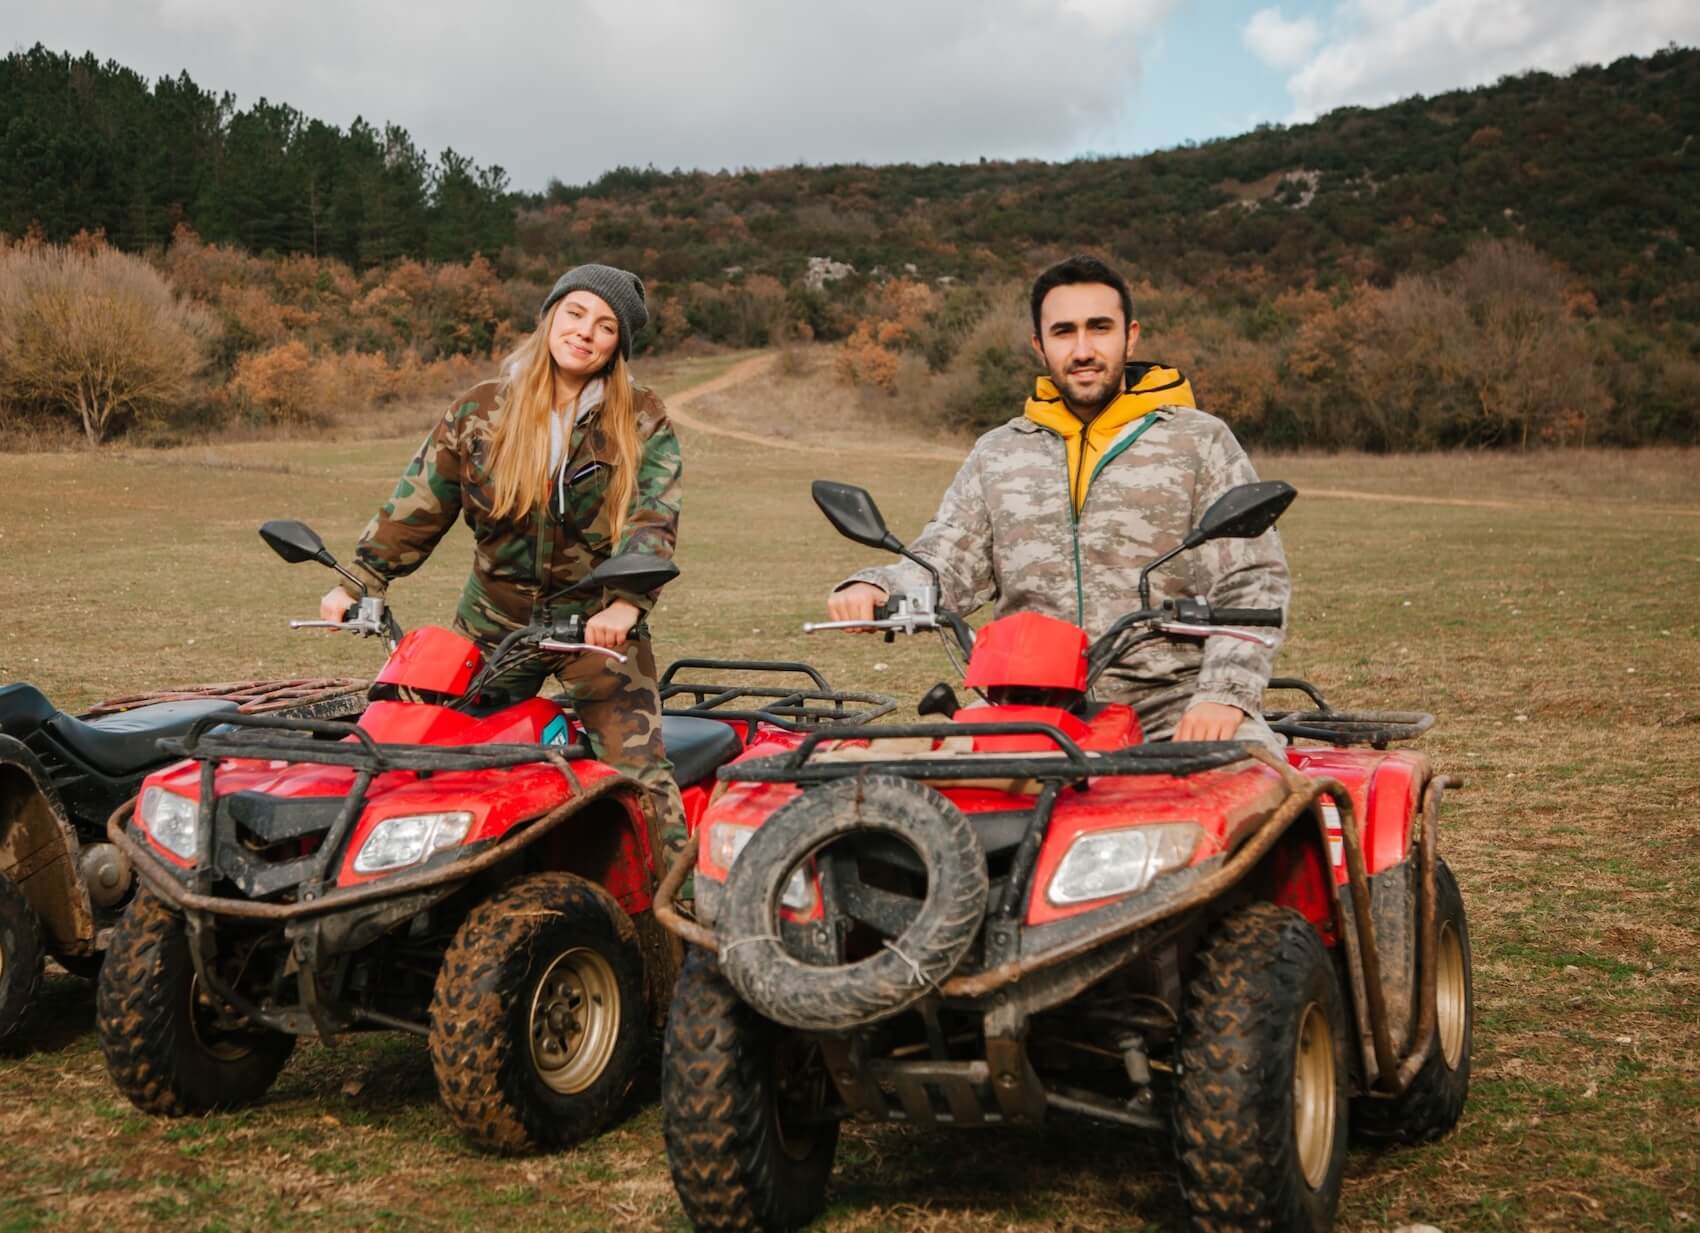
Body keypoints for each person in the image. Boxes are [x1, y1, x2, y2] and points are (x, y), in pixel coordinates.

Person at [827, 254, 1288, 749]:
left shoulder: (1199, 441)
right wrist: (878, 585)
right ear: (1039, 345)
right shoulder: (1000, 451)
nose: (1084, 349)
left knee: (1242, 781)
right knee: (934, 791)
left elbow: (1251, 579)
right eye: (1064, 332)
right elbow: (949, 556)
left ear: (1129, 336)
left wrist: (1224, 694)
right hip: (1023, 705)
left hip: (1171, 704)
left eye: (1100, 328)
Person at [320, 263, 687, 856]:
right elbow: (418, 505)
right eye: (575, 313)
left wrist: (624, 604)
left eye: (606, 326)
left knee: (640, 775)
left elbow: (654, 518)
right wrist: (362, 580)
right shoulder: (480, 411)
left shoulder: (641, 418)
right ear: (550, 316)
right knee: (410, 743)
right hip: (492, 621)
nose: (585, 333)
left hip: (595, 630)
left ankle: (682, 924)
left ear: (619, 346)